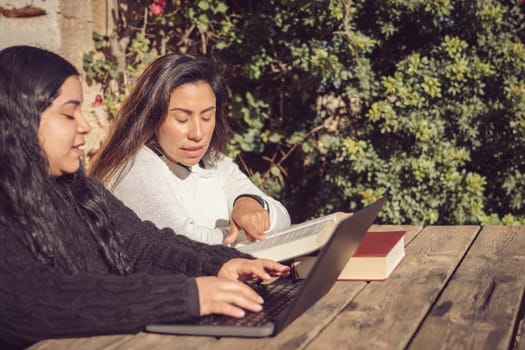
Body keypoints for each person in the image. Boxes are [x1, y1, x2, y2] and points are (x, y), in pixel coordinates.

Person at [0, 45, 289, 350]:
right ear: (20, 118)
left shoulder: (79, 191)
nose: (85, 125)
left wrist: (220, 264)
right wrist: (188, 296)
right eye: (69, 114)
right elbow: (33, 302)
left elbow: (143, 246)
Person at [89, 54, 291, 246]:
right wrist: (244, 234)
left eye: (206, 117)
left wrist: (249, 202)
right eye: (182, 119)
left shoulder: (214, 162)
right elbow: (186, 245)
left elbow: (282, 217)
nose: (197, 133)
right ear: (151, 117)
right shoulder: (134, 167)